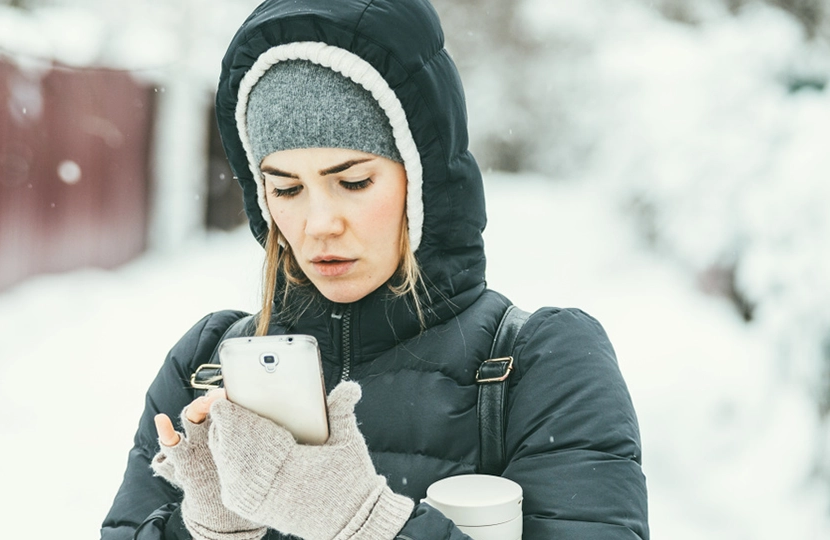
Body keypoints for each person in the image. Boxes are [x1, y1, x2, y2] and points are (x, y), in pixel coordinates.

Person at [101, 0, 649, 539]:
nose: (319, 224)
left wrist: (370, 523)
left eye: (353, 181)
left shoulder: (541, 366)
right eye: (287, 188)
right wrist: (200, 530)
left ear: (423, 180)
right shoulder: (207, 365)